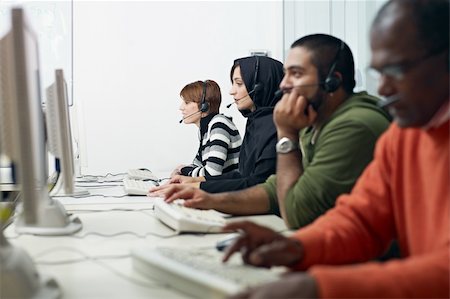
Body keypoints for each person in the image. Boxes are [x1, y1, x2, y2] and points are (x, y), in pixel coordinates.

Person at [220, 0, 450, 298]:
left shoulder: (360, 124)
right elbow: (361, 220)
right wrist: (299, 247)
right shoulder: (405, 135)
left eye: (396, 69)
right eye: (380, 72)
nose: (383, 89)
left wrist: (321, 286)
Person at [152, 34, 391, 229]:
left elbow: (297, 213)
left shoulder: (354, 126)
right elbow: (274, 189)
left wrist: (287, 133)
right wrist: (207, 197)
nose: (284, 84)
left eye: (296, 74)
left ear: (332, 81)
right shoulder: (315, 123)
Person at [156, 56, 284, 192]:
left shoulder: (275, 125)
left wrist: (194, 185)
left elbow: (257, 183)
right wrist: (191, 181)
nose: (231, 91)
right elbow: (242, 175)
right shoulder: (255, 122)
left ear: (260, 86)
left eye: (239, 83)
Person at [172, 80, 242, 178]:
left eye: (187, 102)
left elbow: (211, 174)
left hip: (233, 191)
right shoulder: (205, 131)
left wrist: (182, 169)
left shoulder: (219, 124)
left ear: (204, 106)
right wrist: (181, 170)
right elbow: (197, 165)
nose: (181, 107)